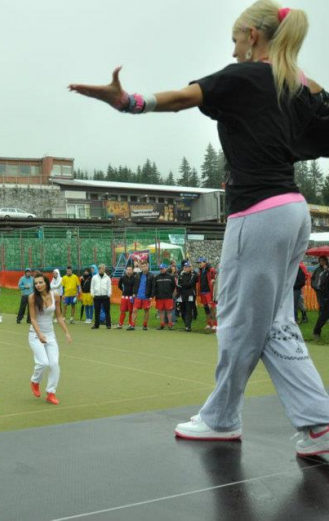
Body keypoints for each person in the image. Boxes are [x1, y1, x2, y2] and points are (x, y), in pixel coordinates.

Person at [69, 0, 329, 452]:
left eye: (234, 39)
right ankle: (319, 423)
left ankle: (221, 418)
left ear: (252, 36)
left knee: (235, 321)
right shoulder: (300, 87)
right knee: (276, 325)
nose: (232, 50)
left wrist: (126, 102)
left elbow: (181, 99)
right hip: (294, 212)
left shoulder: (246, 77)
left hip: (259, 214)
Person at [28, 272, 72, 405]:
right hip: (35, 335)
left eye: (40, 282)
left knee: (54, 364)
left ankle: (51, 392)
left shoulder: (55, 295)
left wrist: (66, 332)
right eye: (36, 283)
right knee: (43, 363)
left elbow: (58, 316)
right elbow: (33, 318)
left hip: (50, 335)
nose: (38, 285)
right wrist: (40, 334)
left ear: (46, 282)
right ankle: (35, 381)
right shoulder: (32, 298)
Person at [133, 260, 155, 331]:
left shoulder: (151, 276)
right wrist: (134, 293)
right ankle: (132, 325)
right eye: (142, 267)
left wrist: (151, 296)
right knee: (134, 310)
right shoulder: (138, 275)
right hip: (138, 296)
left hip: (146, 297)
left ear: (147, 266)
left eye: (144, 266)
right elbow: (135, 285)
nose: (143, 268)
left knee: (146, 311)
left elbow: (153, 287)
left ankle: (145, 325)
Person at [154, 264, 177, 330]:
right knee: (161, 311)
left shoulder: (170, 277)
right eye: (160, 269)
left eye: (163, 268)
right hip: (159, 297)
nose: (161, 270)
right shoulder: (157, 277)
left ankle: (170, 325)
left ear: (166, 268)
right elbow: (155, 287)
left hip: (168, 297)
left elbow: (173, 286)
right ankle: (162, 325)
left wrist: (171, 293)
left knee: (169, 311)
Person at [197, 257, 218, 331]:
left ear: (204, 262)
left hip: (209, 292)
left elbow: (217, 276)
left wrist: (214, 279)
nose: (199, 264)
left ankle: (215, 324)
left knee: (211, 308)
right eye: (198, 263)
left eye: (200, 263)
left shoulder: (211, 269)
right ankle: (208, 324)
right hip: (203, 292)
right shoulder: (200, 271)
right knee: (206, 308)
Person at [176, 262, 197, 332]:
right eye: (184, 267)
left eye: (186, 267)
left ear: (189, 268)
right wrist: (184, 285)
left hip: (190, 294)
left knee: (188, 310)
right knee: (182, 310)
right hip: (181, 295)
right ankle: (186, 324)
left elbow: (190, 284)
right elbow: (178, 285)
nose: (185, 268)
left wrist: (183, 285)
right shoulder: (180, 275)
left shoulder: (192, 275)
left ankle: (188, 326)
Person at [90, 264, 112, 329]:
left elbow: (109, 287)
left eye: (103, 268)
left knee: (107, 311)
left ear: (104, 269)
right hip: (97, 296)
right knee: (97, 311)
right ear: (99, 269)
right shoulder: (94, 277)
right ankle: (96, 325)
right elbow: (92, 287)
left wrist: (109, 294)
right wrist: (92, 294)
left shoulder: (107, 278)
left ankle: (108, 325)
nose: (102, 269)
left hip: (105, 296)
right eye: (101, 268)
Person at [116, 265, 137, 329]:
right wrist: (123, 290)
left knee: (131, 311)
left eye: (130, 270)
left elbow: (136, 287)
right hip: (124, 297)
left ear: (132, 270)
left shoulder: (135, 278)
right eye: (127, 269)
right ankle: (120, 324)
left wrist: (134, 293)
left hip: (131, 297)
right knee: (122, 311)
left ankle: (130, 324)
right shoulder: (122, 278)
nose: (128, 271)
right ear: (126, 270)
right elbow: (119, 285)